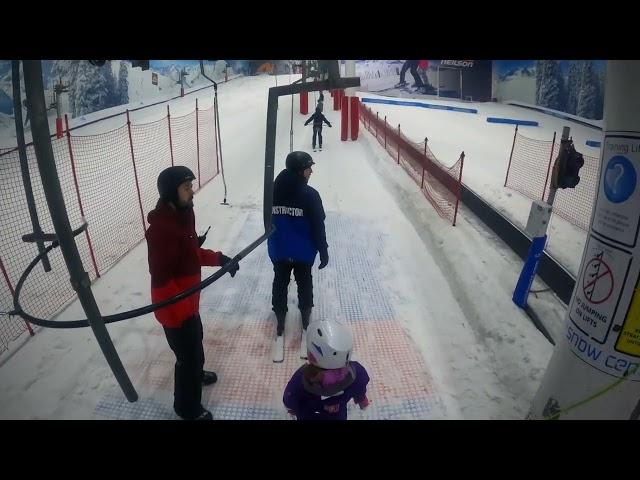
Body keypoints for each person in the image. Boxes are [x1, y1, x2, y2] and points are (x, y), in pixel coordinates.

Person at [145, 165, 239, 420]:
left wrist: (221, 259)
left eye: (190, 186)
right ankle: (186, 408)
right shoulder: (162, 231)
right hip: (174, 310)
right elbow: (162, 282)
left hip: (188, 304)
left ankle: (196, 374)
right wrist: (185, 312)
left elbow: (191, 254)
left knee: (196, 345)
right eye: (186, 188)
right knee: (187, 358)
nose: (192, 192)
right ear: (170, 193)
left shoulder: (184, 216)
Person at [267, 151, 328, 341]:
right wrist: (323, 250)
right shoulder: (310, 195)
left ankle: (279, 314)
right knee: (304, 281)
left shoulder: (271, 191)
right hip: (303, 252)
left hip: (280, 250)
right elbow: (319, 225)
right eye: (308, 168)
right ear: (300, 170)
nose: (311, 171)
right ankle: (305, 312)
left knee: (280, 280)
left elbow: (266, 219)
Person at [283, 319, 371, 420]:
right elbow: (360, 387)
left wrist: (292, 409)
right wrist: (361, 398)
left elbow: (289, 400)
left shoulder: (302, 380)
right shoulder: (356, 373)